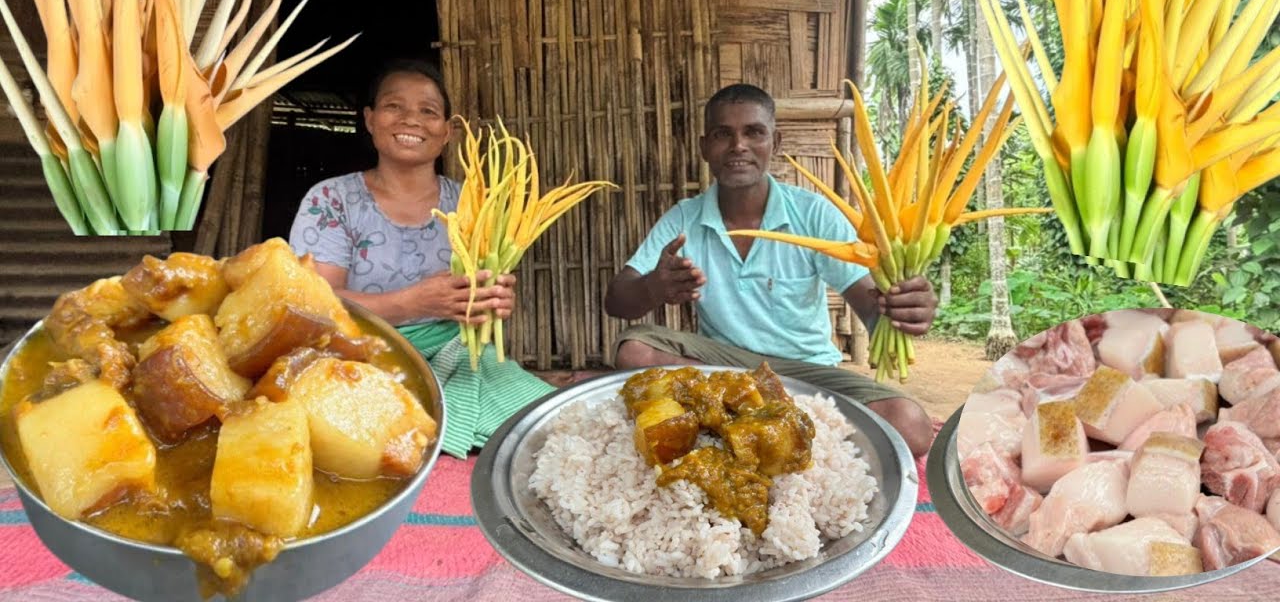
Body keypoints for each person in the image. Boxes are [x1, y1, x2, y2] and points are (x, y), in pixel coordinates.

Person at [603, 83, 937, 458]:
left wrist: (902, 310)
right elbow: (616, 300)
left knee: (910, 427)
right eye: (722, 134)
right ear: (704, 147)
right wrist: (653, 287)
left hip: (806, 375)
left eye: (754, 132)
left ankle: (749, 418)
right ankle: (779, 424)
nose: (738, 145)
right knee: (634, 348)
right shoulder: (685, 217)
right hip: (723, 369)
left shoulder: (813, 213)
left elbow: (870, 310)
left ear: (775, 143)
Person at [288, 58, 553, 458]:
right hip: (357, 356)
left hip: (459, 360)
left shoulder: (473, 203)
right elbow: (315, 305)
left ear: (446, 132)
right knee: (333, 429)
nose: (411, 120)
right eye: (394, 107)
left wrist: (491, 300)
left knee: (547, 419)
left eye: (428, 111)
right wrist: (412, 303)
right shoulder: (332, 199)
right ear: (370, 119)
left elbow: (481, 291)